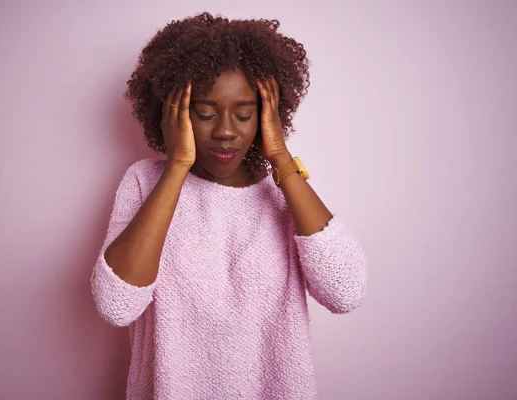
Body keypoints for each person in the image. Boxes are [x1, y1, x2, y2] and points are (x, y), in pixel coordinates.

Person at [91, 12, 367, 400]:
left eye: (243, 114)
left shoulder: (287, 191)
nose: (224, 130)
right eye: (204, 113)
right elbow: (117, 304)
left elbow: (346, 291)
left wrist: (281, 158)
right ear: (172, 114)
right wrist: (176, 167)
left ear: (267, 115)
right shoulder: (144, 182)